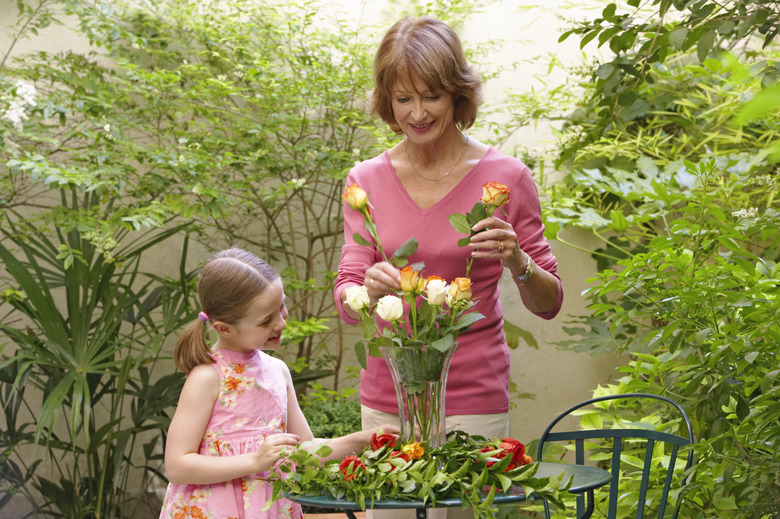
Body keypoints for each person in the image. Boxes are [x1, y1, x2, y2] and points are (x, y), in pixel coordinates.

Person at [334, 16, 563, 518]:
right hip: (389, 393)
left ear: (458, 94)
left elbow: (550, 303)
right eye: (402, 98)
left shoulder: (506, 177)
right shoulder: (366, 179)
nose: (417, 112)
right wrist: (366, 291)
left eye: (431, 96)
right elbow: (348, 298)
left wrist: (518, 262)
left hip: (472, 395)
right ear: (387, 102)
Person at [160, 247, 398, 519]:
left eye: (282, 306)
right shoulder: (207, 377)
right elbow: (177, 466)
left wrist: (363, 440)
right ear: (224, 328)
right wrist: (254, 461)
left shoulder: (277, 371)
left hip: (271, 509)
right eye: (266, 320)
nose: (282, 322)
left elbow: (307, 453)